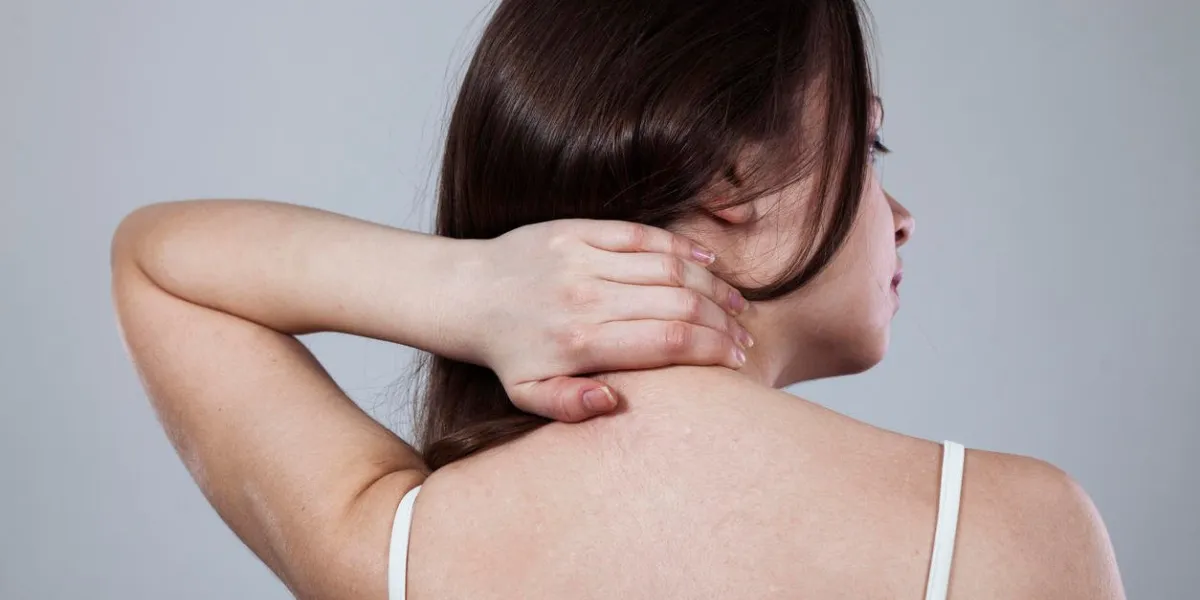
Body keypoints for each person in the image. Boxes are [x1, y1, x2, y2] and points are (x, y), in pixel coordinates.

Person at [110, 0, 1126, 598]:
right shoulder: (1005, 532)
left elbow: (159, 260)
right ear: (730, 174)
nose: (900, 213)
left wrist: (471, 283)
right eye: (870, 143)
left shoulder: (406, 543)